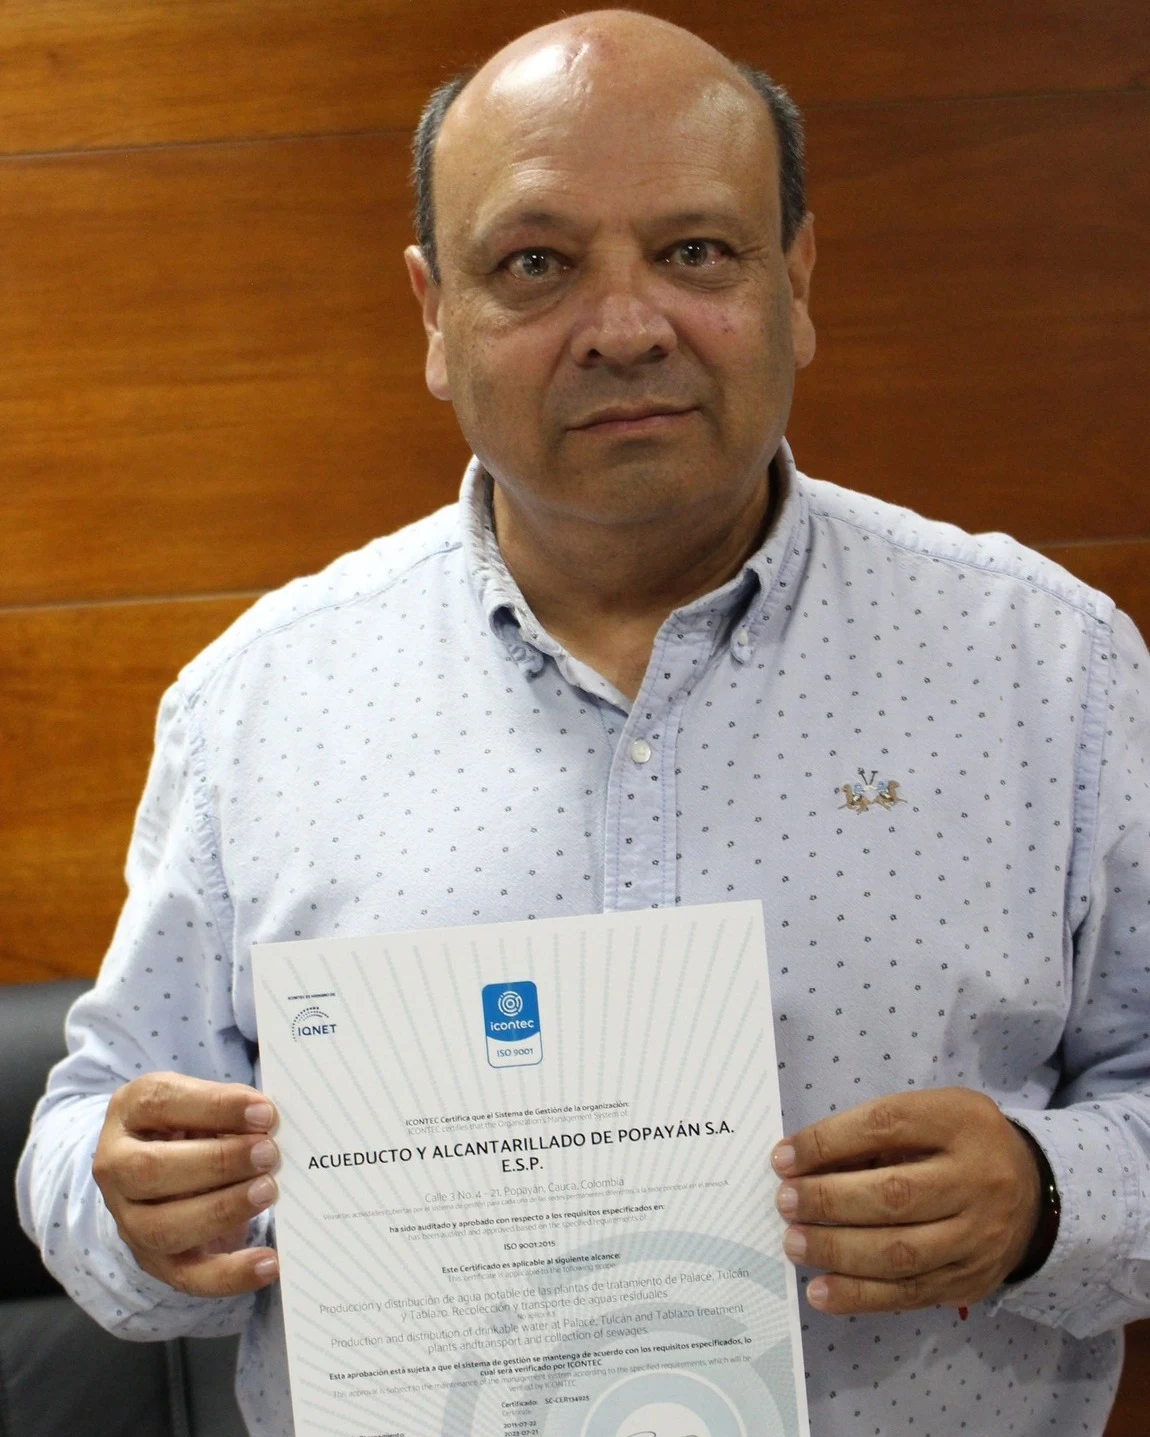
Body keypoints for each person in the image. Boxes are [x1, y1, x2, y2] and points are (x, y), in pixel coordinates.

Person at [18, 9, 1150, 1436]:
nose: (626, 328)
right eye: (536, 265)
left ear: (795, 282)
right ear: (434, 314)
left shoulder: (1045, 667)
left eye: (697, 251)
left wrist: (1046, 1197)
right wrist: (127, 1201)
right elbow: (90, 1128)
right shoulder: (260, 704)